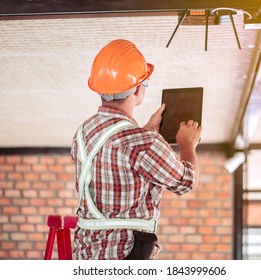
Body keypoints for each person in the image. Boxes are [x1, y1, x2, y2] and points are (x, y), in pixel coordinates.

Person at [71, 39, 202, 260]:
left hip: (86, 253)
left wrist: (147, 131)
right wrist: (188, 145)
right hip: (125, 252)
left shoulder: (83, 132)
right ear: (140, 88)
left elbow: (115, 155)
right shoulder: (144, 143)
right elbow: (186, 181)